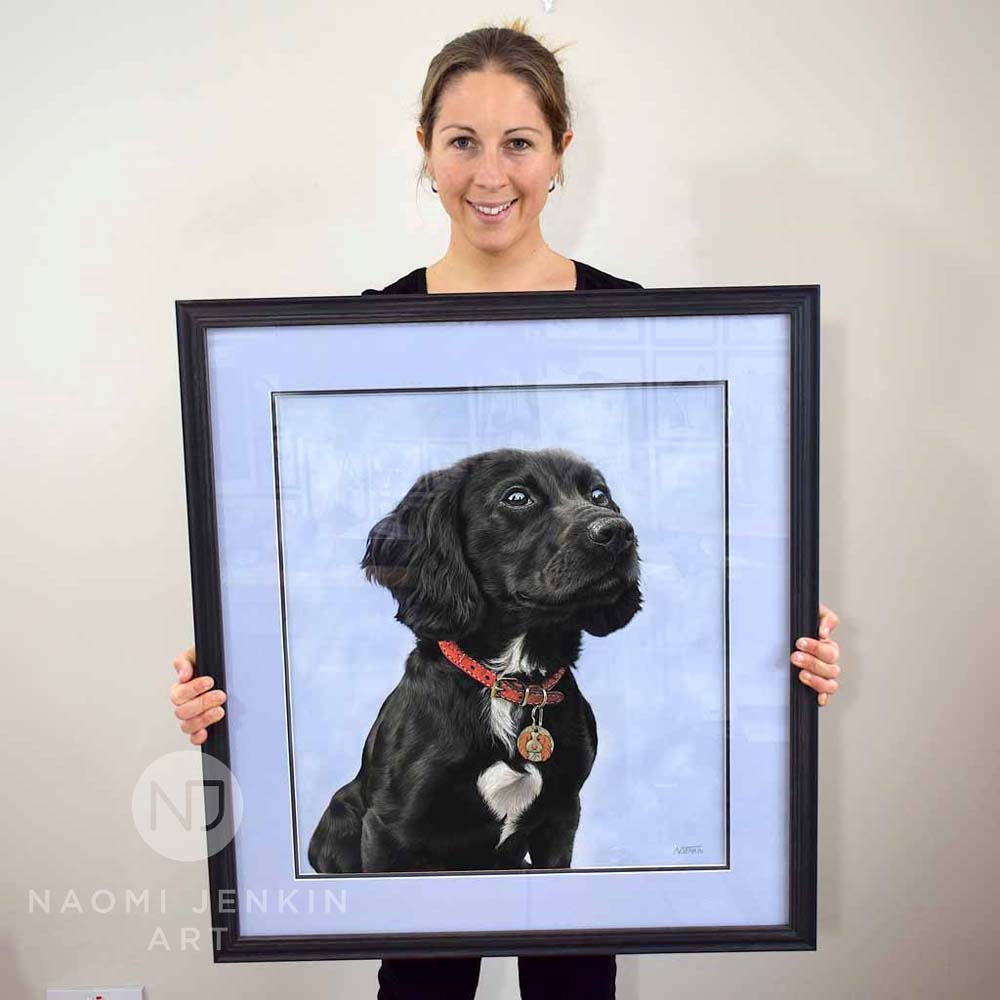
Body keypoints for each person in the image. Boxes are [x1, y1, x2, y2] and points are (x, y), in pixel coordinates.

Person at [169, 21, 843, 999]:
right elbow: (263, 528)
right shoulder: (351, 338)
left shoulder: (639, 324)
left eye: (519, 141)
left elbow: (729, 528)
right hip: (412, 858)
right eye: (463, 140)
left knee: (572, 978)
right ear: (425, 151)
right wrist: (222, 682)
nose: (492, 172)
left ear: (560, 154)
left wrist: (783, 643)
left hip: (548, 775)